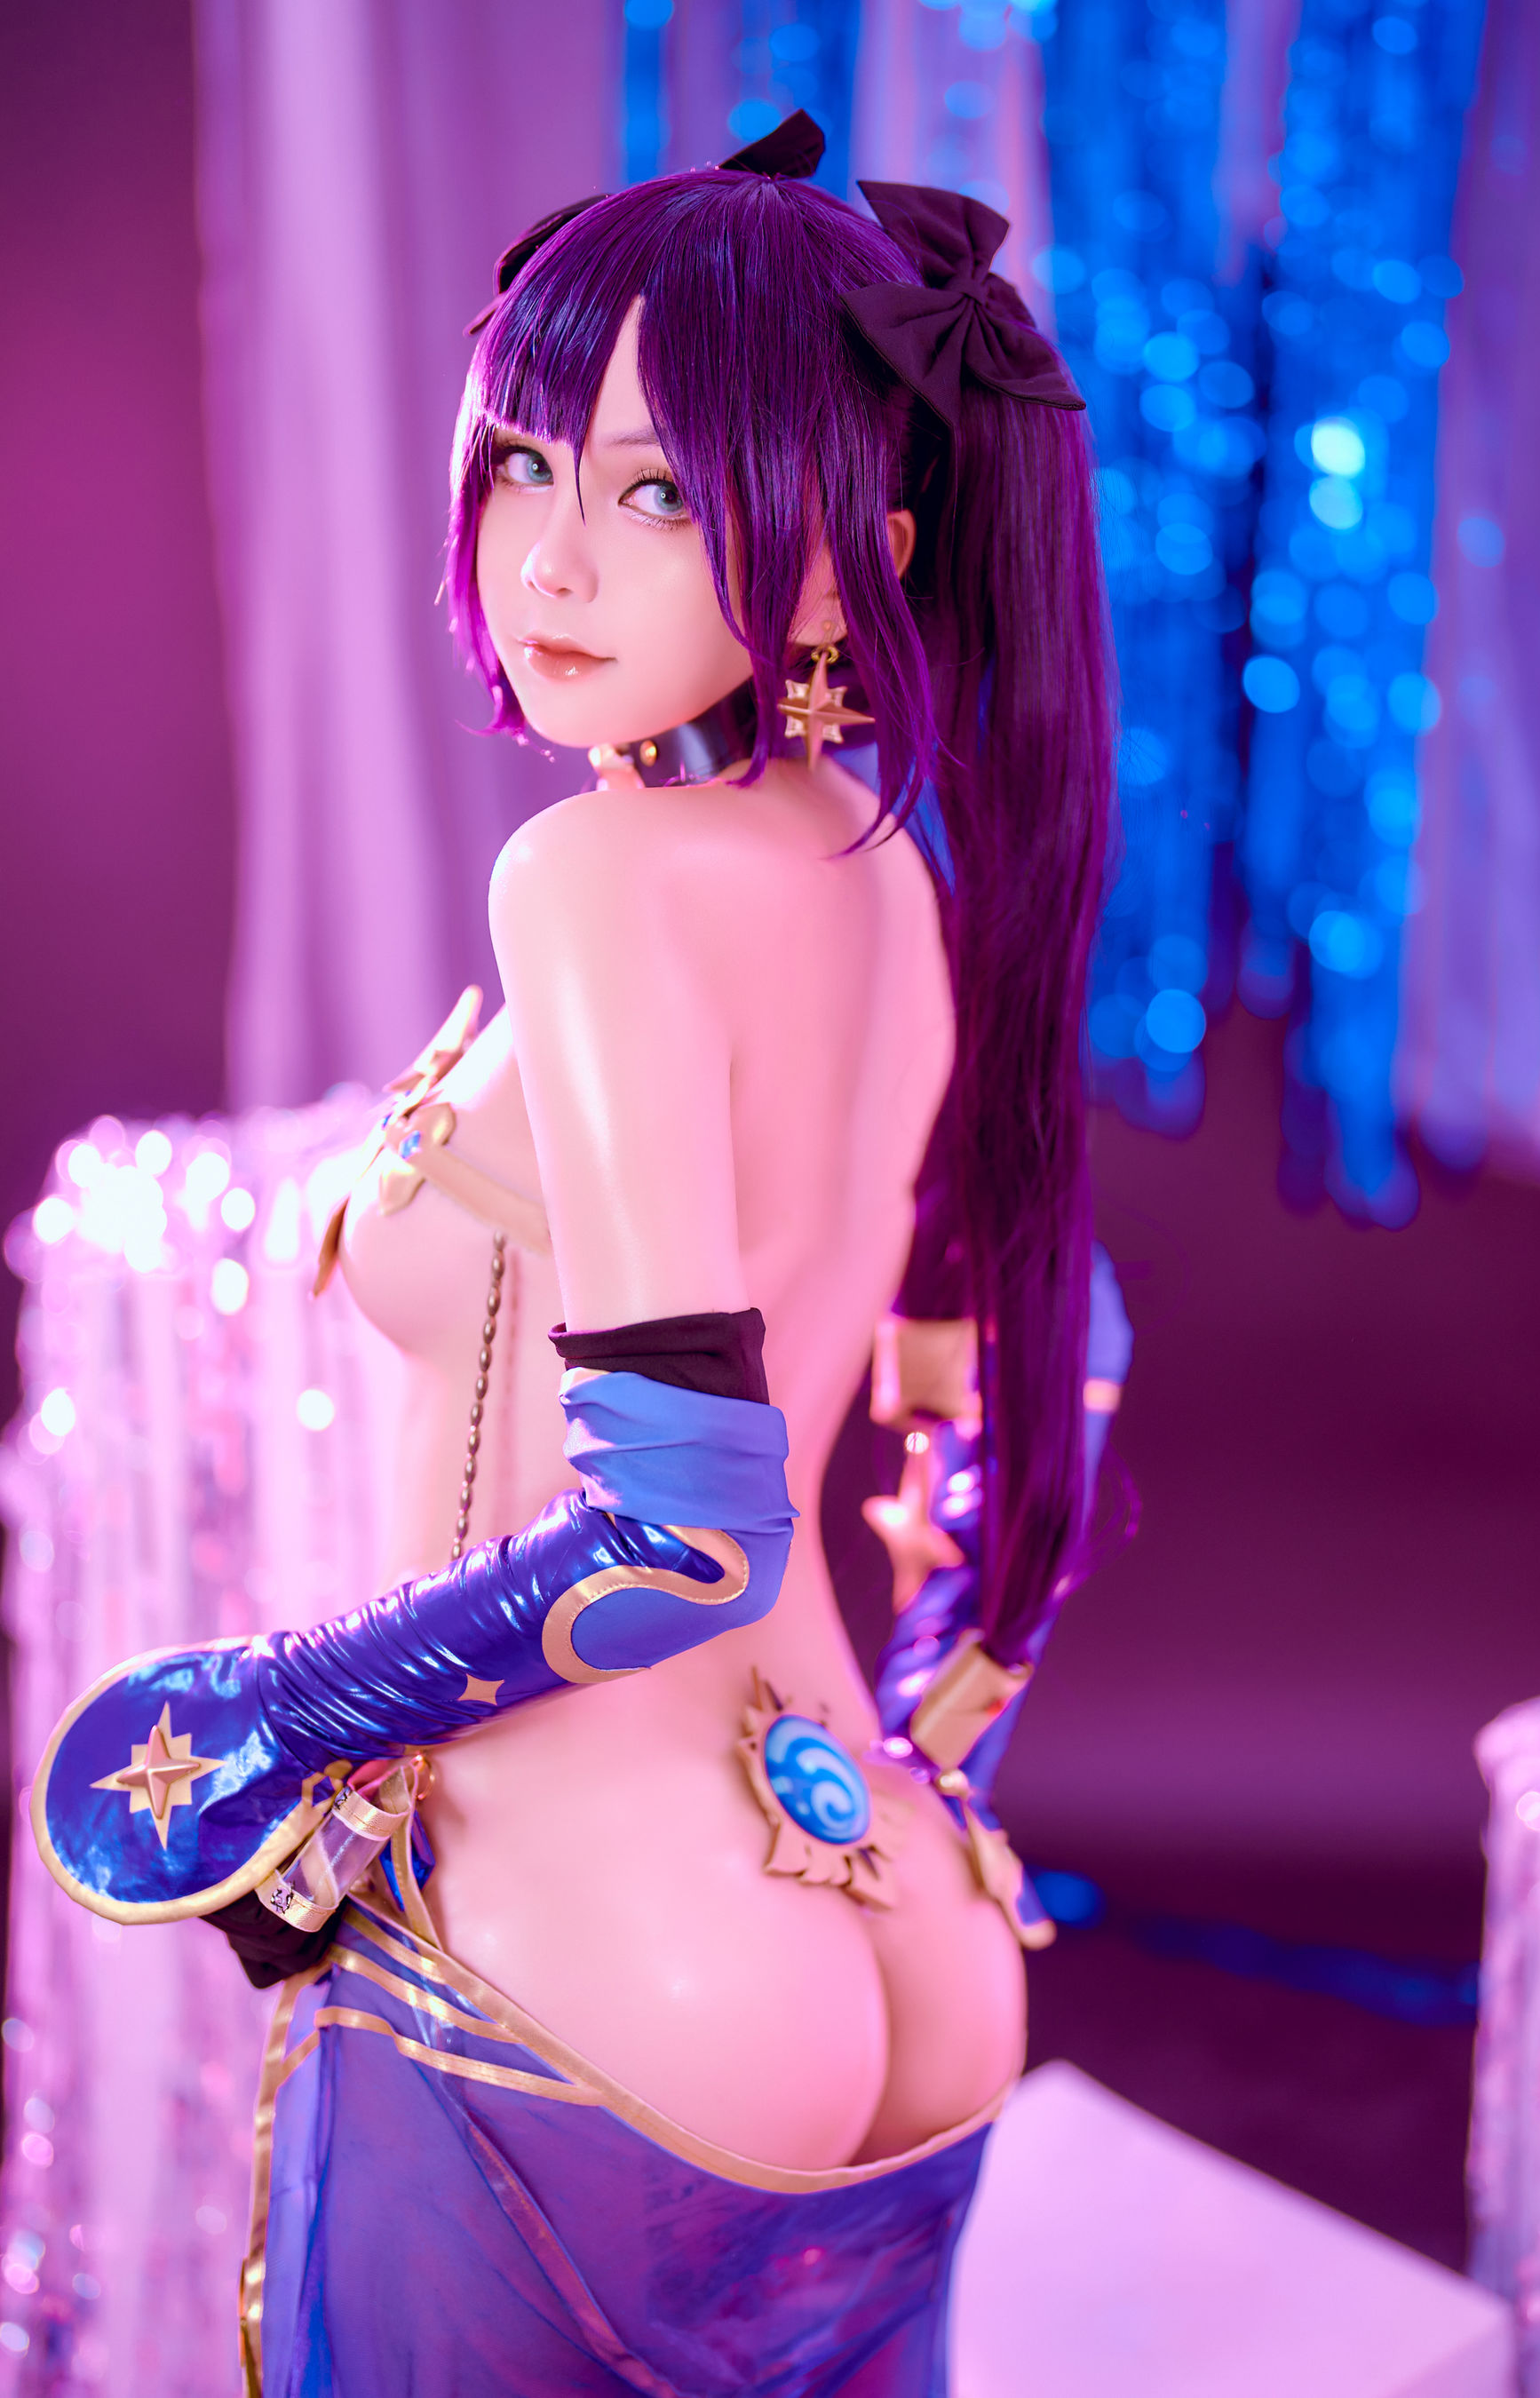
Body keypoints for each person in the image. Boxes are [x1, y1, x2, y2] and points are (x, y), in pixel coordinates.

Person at [32, 115, 1122, 2395]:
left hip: (592, 1927)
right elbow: (1039, 1361)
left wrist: (267, 1714)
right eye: (525, 462)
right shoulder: (894, 873)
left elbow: (685, 1524)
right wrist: (946, 1721)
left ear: (852, 564)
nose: (548, 559)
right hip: (895, 1896)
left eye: (655, 493)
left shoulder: (599, 884)